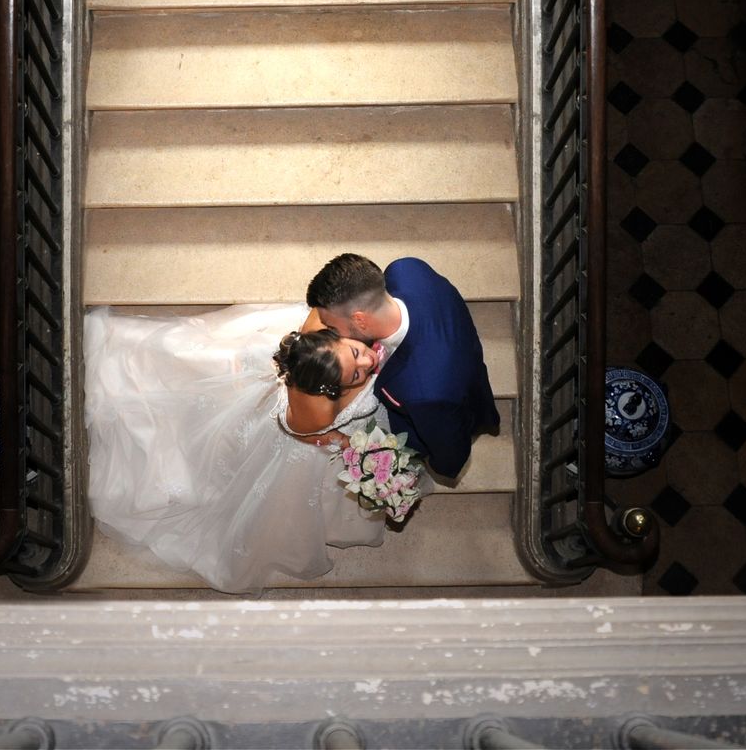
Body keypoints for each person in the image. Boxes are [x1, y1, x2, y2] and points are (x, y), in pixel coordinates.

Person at [83, 302, 396, 594]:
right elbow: (308, 434)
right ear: (330, 389)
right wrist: (348, 444)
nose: (368, 360)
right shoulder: (317, 415)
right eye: (356, 371)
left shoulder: (320, 327)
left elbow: (323, 304)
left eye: (357, 353)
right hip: (296, 416)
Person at [306, 252, 499, 479]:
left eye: (332, 326)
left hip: (448, 391)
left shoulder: (424, 393)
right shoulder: (406, 269)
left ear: (359, 319)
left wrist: (431, 465)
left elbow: (451, 459)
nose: (332, 334)